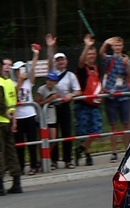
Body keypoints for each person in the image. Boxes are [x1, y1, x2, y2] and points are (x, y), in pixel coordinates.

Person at [46, 33, 81, 169]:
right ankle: (53, 160)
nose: (60, 62)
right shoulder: (52, 73)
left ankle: (68, 159)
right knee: (53, 134)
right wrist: (50, 47)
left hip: (64, 106)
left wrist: (71, 95)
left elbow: (78, 90)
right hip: (52, 106)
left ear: (66, 61)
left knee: (67, 133)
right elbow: (49, 61)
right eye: (58, 60)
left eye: (62, 60)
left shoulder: (70, 75)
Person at [99, 36, 130, 163]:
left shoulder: (126, 59)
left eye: (119, 45)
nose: (117, 47)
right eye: (115, 45)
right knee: (113, 125)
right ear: (113, 47)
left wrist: (127, 65)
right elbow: (101, 53)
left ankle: (127, 152)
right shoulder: (109, 59)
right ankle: (114, 152)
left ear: (122, 46)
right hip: (111, 95)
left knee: (125, 124)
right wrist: (106, 43)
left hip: (123, 94)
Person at [74, 34, 103, 166]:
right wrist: (87, 45)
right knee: (83, 131)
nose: (91, 56)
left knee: (96, 130)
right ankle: (87, 154)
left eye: (93, 54)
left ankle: (80, 149)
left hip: (94, 104)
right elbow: (80, 61)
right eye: (89, 54)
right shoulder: (82, 69)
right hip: (83, 104)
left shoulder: (96, 69)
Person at [11, 45, 40, 175]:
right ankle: (21, 166)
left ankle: (34, 165)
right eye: (17, 70)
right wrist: (20, 81)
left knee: (32, 142)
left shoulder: (29, 81)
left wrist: (35, 54)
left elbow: (33, 68)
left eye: (21, 69)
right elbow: (14, 94)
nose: (19, 72)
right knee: (19, 144)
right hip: (19, 116)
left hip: (30, 114)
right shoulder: (12, 83)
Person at [0, 58, 22, 194]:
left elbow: (0, 104)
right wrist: (13, 119)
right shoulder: (8, 82)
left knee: (0, 153)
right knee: (11, 152)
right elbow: (13, 101)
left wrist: (7, 115)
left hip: (2, 120)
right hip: (9, 120)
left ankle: (0, 185)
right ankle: (17, 182)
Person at [35, 72, 60, 169]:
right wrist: (49, 99)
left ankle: (46, 157)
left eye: (52, 80)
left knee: (53, 139)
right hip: (43, 117)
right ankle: (42, 160)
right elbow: (37, 103)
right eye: (48, 80)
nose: (49, 82)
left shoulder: (56, 89)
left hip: (52, 116)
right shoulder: (41, 89)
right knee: (43, 140)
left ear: (55, 82)